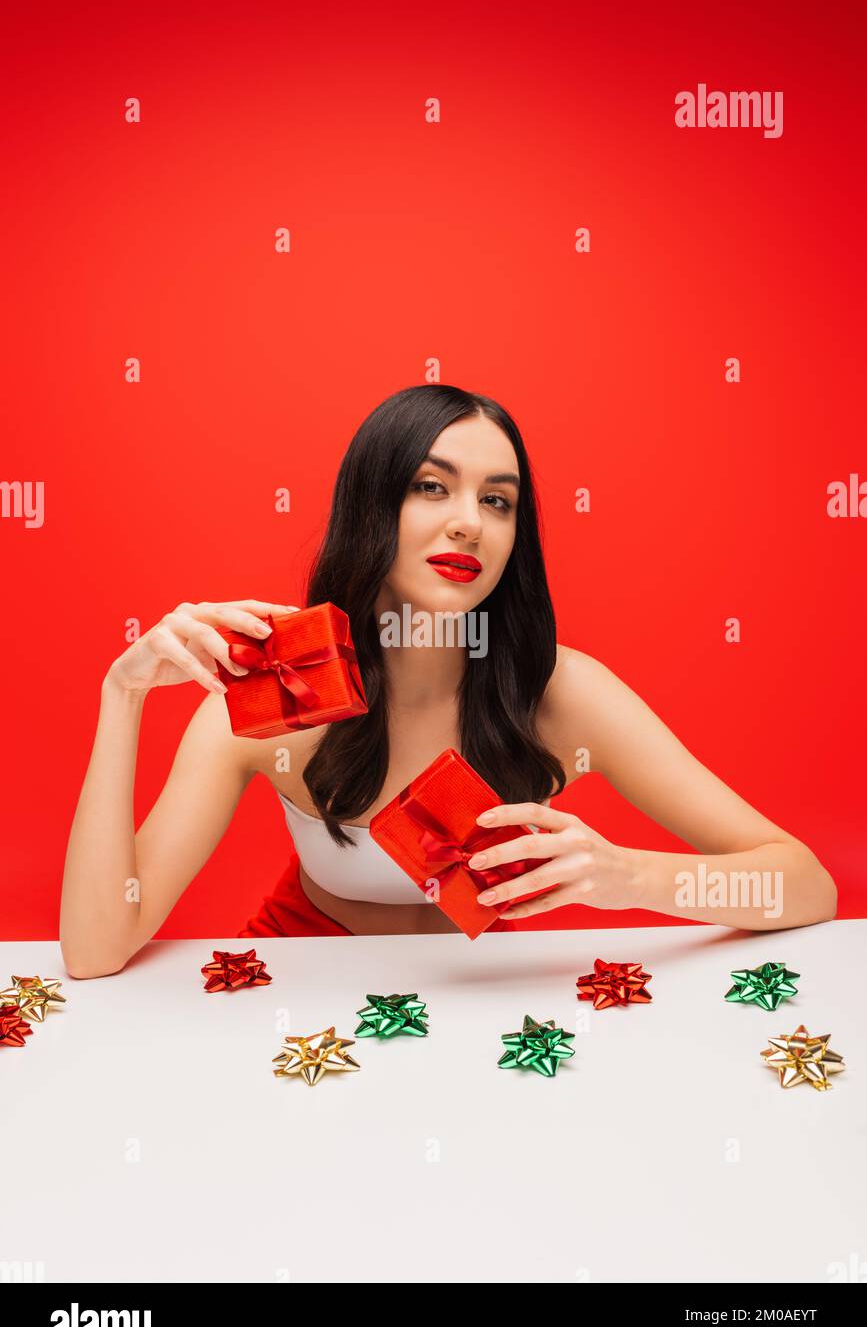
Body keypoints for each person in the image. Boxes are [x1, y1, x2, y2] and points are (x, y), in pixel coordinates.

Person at [59, 385, 837, 977]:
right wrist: (120, 695)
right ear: (371, 506)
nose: (469, 521)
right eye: (432, 487)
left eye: (497, 500)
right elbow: (96, 951)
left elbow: (804, 888)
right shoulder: (281, 690)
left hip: (481, 991)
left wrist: (628, 876)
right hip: (296, 988)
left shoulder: (558, 690)